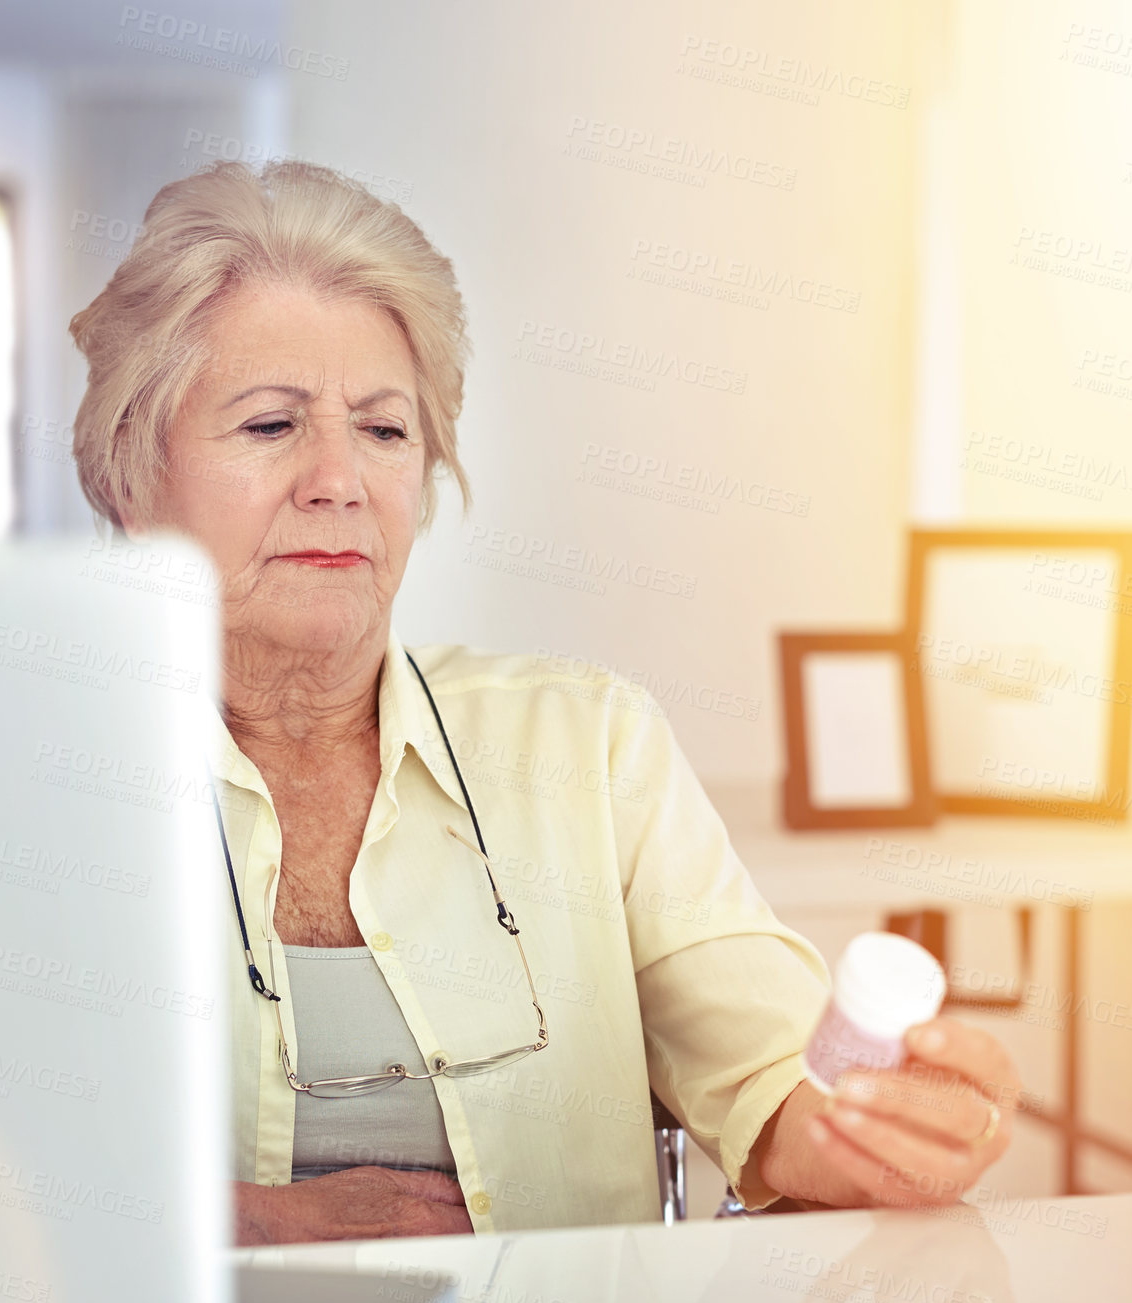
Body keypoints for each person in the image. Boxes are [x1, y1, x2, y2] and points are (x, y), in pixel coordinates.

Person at [68, 160, 1020, 1245]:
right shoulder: (36, 787)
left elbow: (779, 1096)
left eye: (384, 430)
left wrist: (886, 1131)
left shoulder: (592, 744)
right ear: (133, 475)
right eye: (270, 425)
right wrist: (240, 1227)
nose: (339, 479)